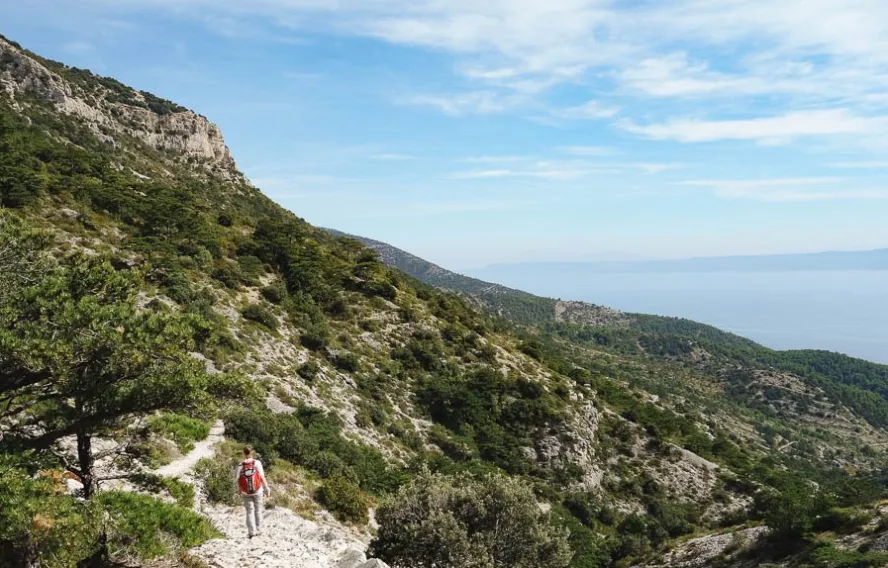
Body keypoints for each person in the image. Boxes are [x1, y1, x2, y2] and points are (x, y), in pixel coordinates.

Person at [234, 446, 270, 538]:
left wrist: (240, 490)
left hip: (246, 492)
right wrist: (266, 488)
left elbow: (237, 479)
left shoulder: (240, 465)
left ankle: (251, 532)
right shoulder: (257, 463)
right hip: (257, 490)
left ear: (244, 453)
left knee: (249, 511)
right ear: (252, 453)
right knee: (258, 510)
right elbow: (262, 477)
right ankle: (259, 530)